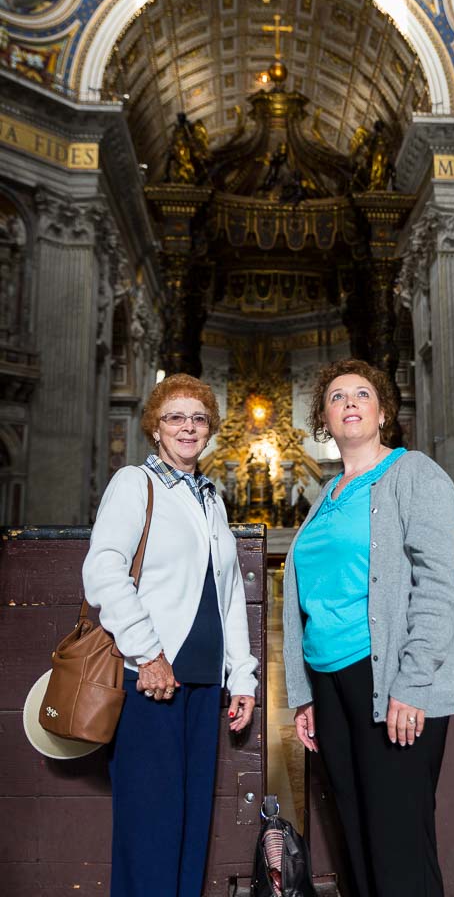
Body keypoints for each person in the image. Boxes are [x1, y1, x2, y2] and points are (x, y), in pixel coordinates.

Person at [282, 359, 454, 897]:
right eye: (337, 396)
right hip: (330, 685)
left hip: (389, 678)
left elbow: (439, 586)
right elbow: (310, 599)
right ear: (323, 417)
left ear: (383, 411)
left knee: (398, 846)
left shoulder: (413, 474)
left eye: (362, 394)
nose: (349, 403)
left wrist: (411, 683)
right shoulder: (326, 496)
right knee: (359, 841)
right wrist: (305, 696)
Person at [82, 373, 257, 897]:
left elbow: (226, 596)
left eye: (199, 418)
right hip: (149, 683)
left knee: (188, 836)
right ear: (155, 429)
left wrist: (242, 677)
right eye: (175, 417)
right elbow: (104, 571)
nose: (188, 426)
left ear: (210, 431)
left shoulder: (211, 498)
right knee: (150, 834)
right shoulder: (135, 483)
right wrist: (149, 653)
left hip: (204, 688)